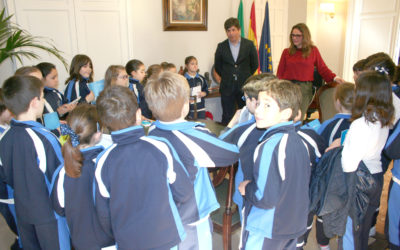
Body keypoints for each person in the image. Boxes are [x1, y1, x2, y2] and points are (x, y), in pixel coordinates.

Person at [145, 72, 239, 249]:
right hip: (191, 216)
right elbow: (231, 153)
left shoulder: (151, 130)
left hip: (161, 214)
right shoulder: (193, 135)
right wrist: (234, 124)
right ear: (185, 106)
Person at [94, 85, 192, 249]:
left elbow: (103, 214)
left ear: (104, 123)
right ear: (138, 115)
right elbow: (184, 192)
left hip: (128, 242)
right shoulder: (160, 147)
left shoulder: (103, 161)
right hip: (164, 236)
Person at [238, 79, 310, 250]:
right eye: (259, 103)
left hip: (267, 227)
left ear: (286, 113)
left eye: (267, 105)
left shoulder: (269, 146)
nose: (258, 110)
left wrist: (246, 188)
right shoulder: (299, 140)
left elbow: (264, 197)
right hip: (291, 223)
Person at [0, 76, 69, 249]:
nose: (43, 100)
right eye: (42, 96)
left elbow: (6, 176)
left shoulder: (5, 138)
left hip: (22, 212)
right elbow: (60, 178)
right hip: (49, 216)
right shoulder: (45, 138)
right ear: (34, 102)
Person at [326, 71, 393, 250]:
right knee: (361, 231)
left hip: (356, 181)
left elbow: (348, 163)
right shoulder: (383, 118)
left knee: (349, 233)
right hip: (375, 177)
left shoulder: (359, 124)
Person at [51, 104, 115, 249]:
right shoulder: (108, 164)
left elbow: (59, 207)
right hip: (109, 243)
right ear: (98, 133)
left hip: (80, 242)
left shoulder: (62, 171)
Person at [220, 76, 274, 222]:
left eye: (245, 99)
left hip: (248, 191)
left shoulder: (247, 128)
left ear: (255, 101)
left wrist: (233, 121)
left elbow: (221, 144)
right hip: (272, 196)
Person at [277, 23, 344, 120]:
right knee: (285, 116)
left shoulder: (313, 51)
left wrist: (335, 77)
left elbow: (322, 68)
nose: (294, 38)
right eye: (293, 35)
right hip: (287, 87)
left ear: (305, 36)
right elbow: (280, 73)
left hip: (304, 89)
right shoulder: (286, 52)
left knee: (297, 118)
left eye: (298, 35)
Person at [214, 17, 259, 125]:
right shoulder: (221, 46)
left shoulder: (249, 45)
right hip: (227, 87)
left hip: (245, 86)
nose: (231, 33)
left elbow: (254, 65)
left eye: (233, 30)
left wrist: (244, 75)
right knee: (227, 116)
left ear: (239, 30)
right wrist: (227, 75)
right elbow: (218, 66)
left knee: (246, 114)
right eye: (228, 31)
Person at [0, 89, 20, 250]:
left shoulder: (8, 129)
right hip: (9, 196)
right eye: (9, 108)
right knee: (22, 234)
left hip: (15, 196)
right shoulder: (3, 137)